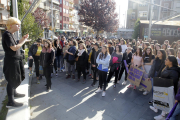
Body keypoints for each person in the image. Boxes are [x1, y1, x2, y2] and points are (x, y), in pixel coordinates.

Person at [2, 17, 30, 108]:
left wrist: (23, 38)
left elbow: (17, 43)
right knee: (11, 80)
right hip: (11, 62)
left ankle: (15, 93)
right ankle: (10, 102)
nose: (19, 26)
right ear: (10, 25)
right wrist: (24, 41)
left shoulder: (11, 34)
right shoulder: (7, 34)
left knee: (15, 78)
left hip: (14, 61)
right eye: (17, 24)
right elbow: (14, 47)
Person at [150, 56, 180, 120]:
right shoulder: (167, 67)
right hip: (164, 88)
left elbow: (172, 83)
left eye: (166, 60)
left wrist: (162, 80)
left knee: (166, 103)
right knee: (164, 102)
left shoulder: (174, 72)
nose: (165, 60)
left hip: (168, 90)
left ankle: (163, 116)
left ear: (171, 62)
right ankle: (162, 113)